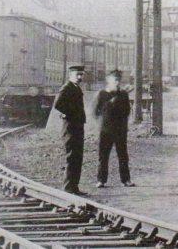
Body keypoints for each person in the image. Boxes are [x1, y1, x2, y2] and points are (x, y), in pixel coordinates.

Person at [94, 69, 134, 188]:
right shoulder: (102, 94)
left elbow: (127, 111)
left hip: (120, 130)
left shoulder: (123, 94)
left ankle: (126, 180)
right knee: (103, 156)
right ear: (108, 80)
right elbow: (96, 112)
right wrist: (110, 103)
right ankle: (101, 180)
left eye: (118, 80)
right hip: (106, 130)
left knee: (123, 156)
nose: (116, 82)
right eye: (114, 79)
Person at [53, 65, 87, 195]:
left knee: (77, 157)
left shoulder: (76, 87)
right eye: (77, 74)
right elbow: (57, 104)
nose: (79, 77)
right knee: (72, 157)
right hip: (70, 128)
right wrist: (68, 113)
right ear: (70, 75)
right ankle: (68, 188)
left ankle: (74, 187)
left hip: (77, 127)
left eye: (81, 74)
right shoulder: (66, 87)